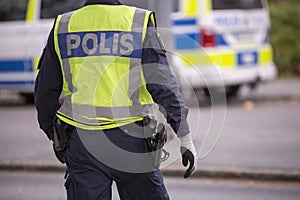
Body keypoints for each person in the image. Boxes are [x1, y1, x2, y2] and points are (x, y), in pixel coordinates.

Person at [34, 0, 198, 199]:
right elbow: (162, 85)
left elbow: (45, 93)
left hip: (83, 143)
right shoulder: (137, 20)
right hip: (134, 142)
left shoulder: (64, 25)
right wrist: (184, 136)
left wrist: (56, 137)